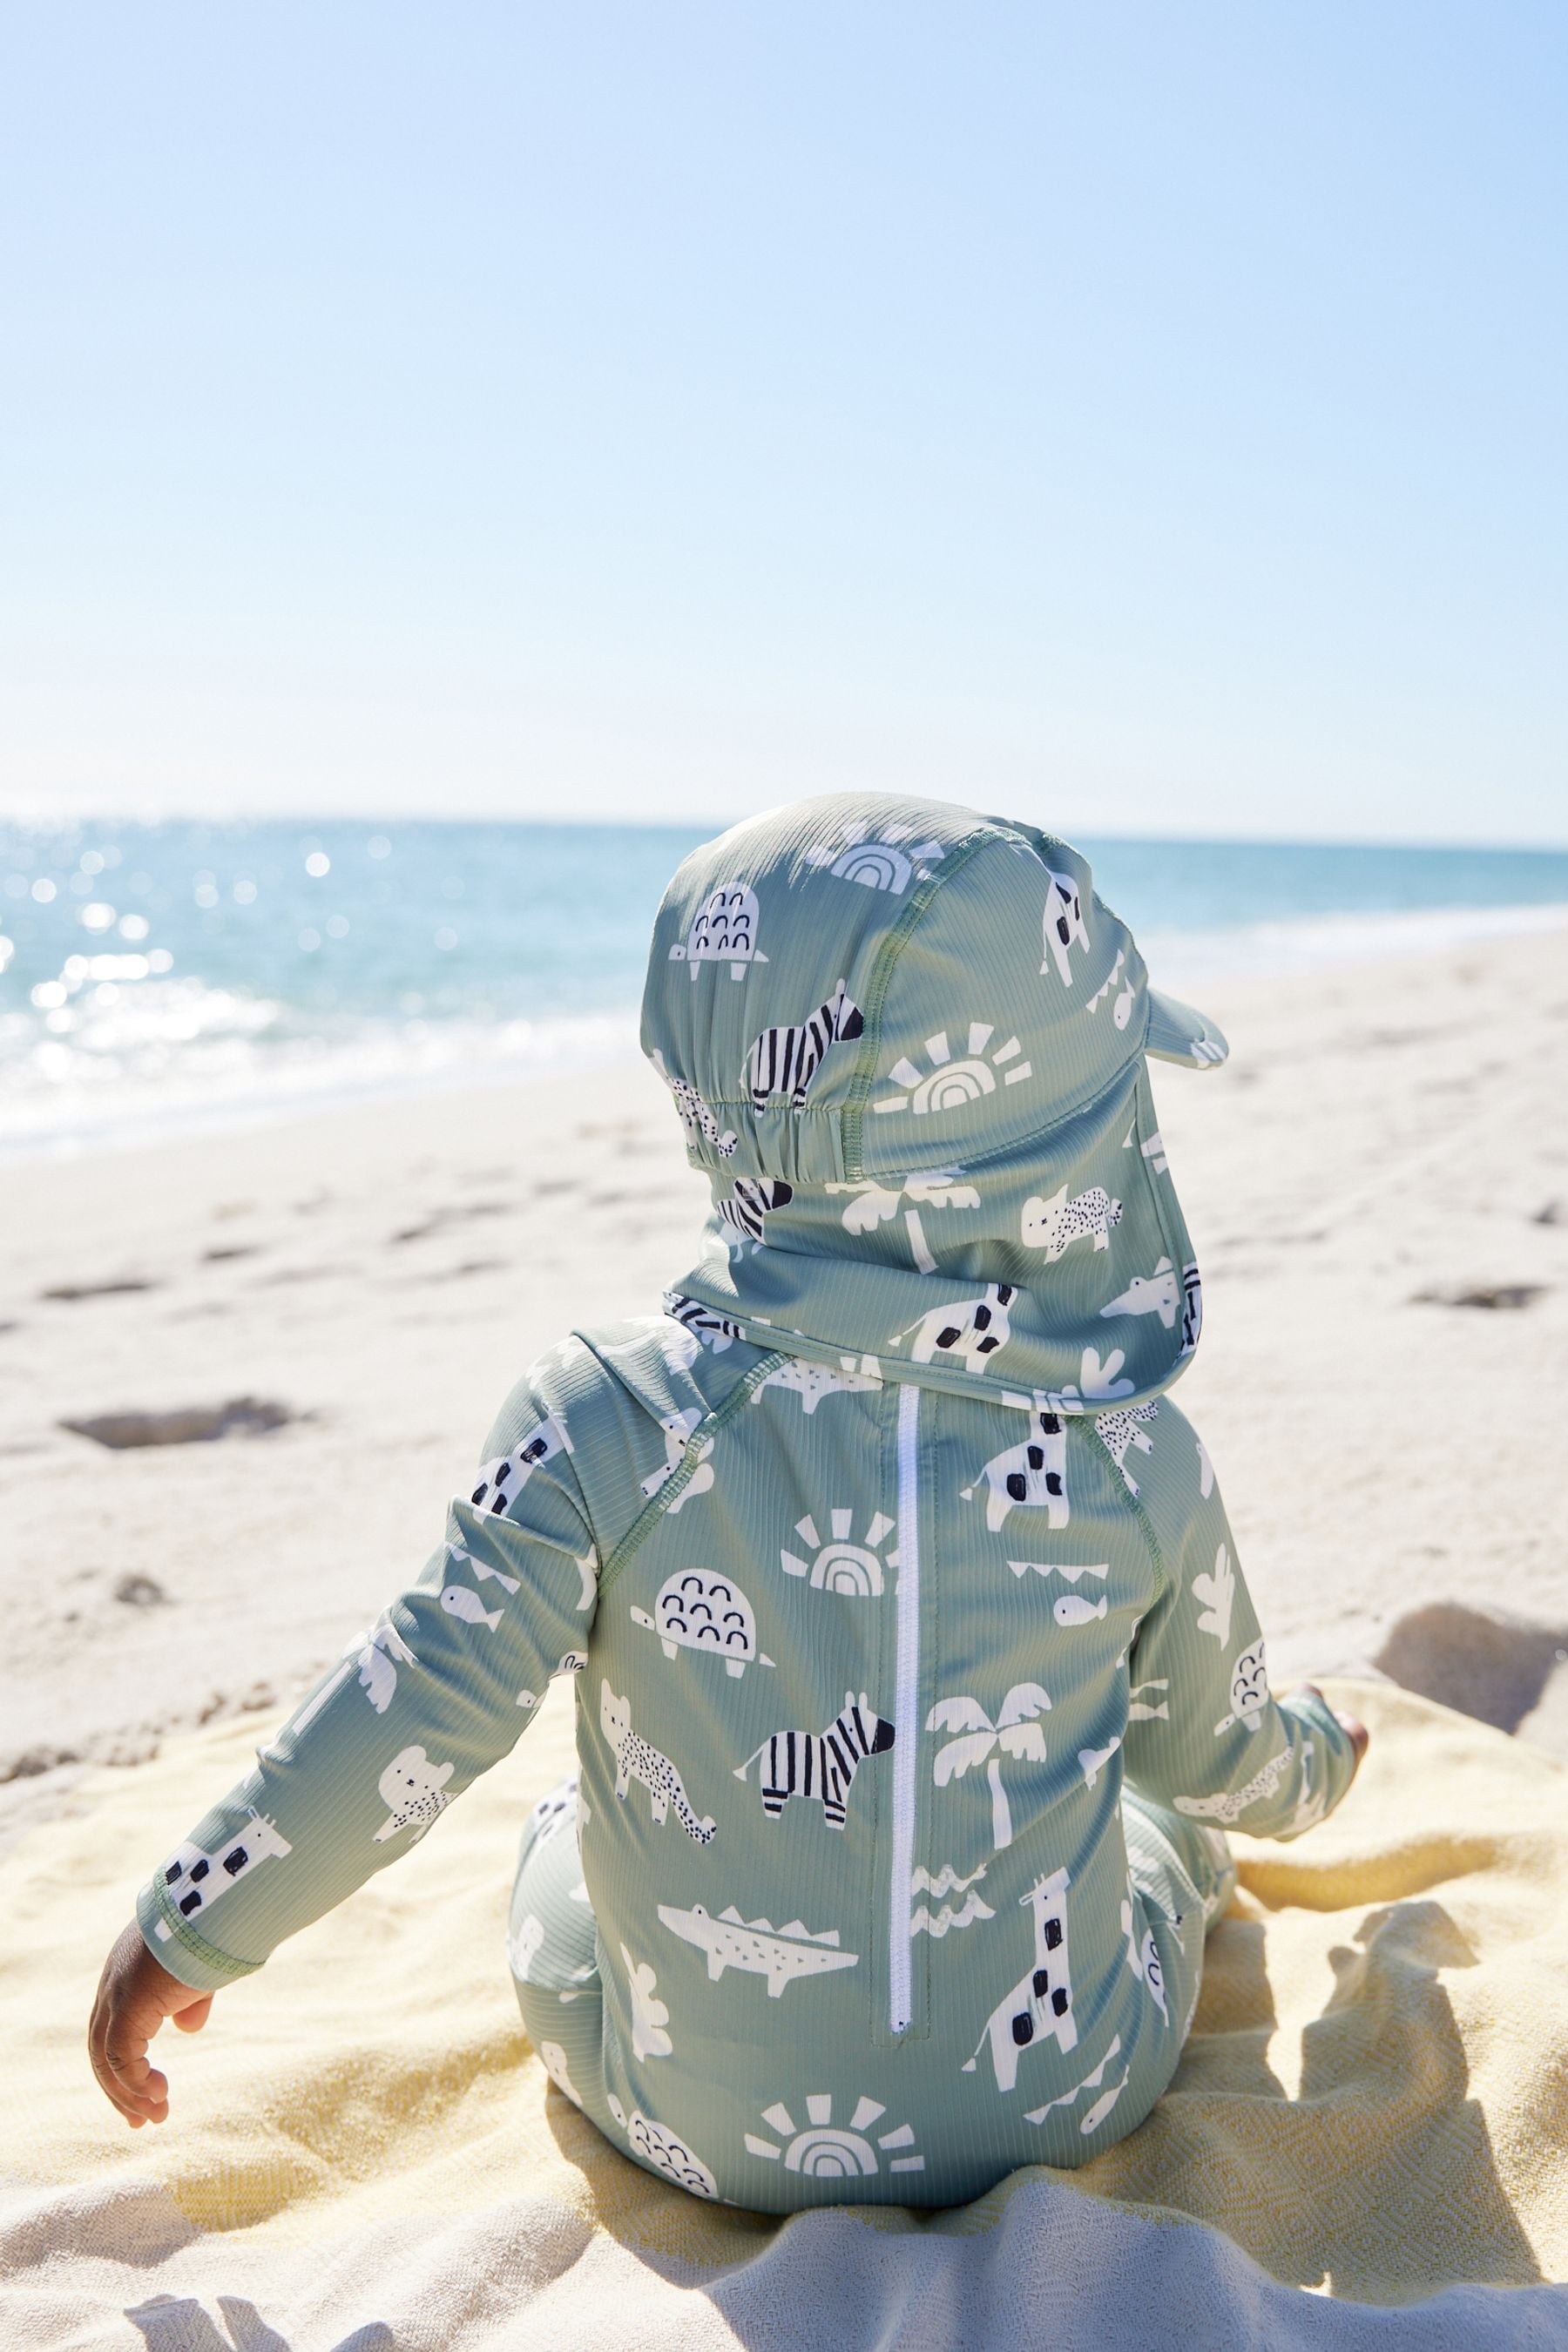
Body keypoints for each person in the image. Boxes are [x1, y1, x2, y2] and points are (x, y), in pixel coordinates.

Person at [90, 794, 1367, 2210]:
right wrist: (1322, 1756)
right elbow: (1223, 1754)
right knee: (1158, 1823)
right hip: (1063, 2094)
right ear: (1073, 1142)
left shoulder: (604, 1424)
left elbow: (414, 1704)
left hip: (673, 2107)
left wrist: (190, 1924)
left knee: (564, 1843)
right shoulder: (1135, 1456)